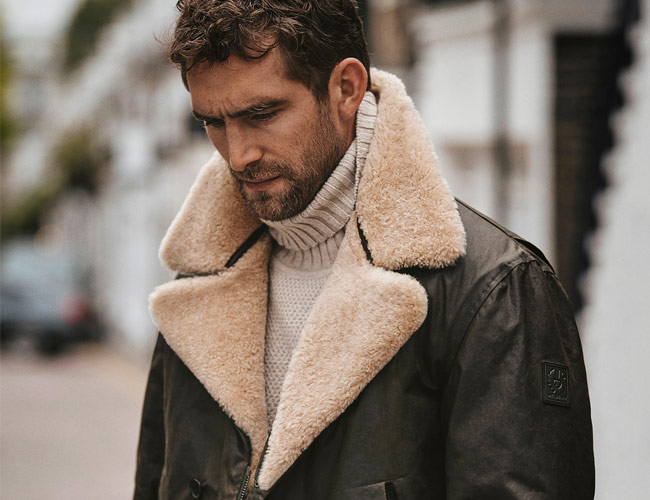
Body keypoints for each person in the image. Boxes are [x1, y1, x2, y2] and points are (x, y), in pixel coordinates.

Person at [134, 1, 595, 499]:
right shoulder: (196, 291)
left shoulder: (492, 291)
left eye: (261, 114)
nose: (239, 153)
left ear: (346, 88)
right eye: (214, 122)